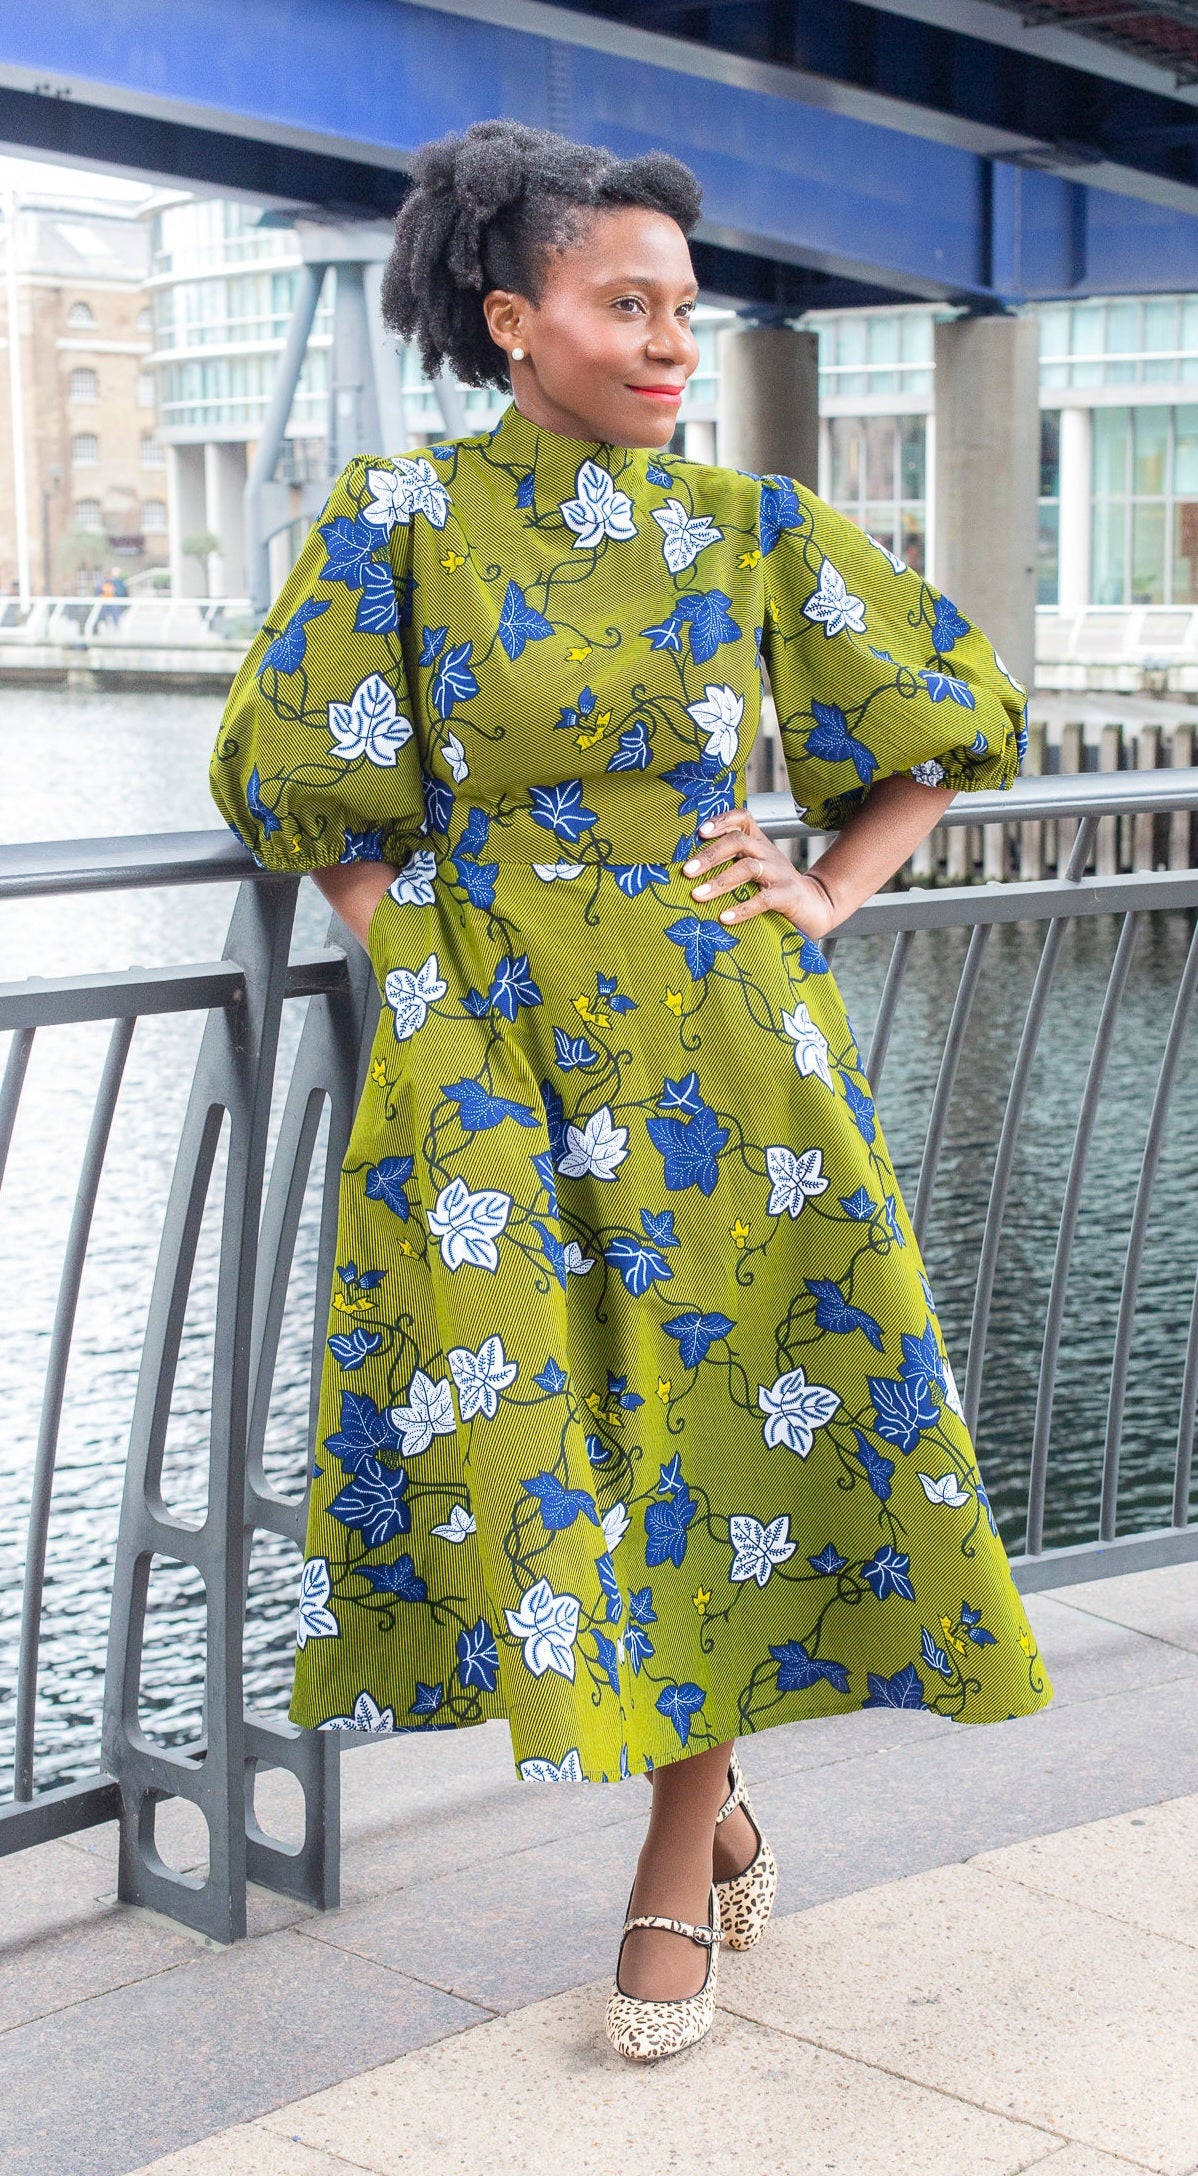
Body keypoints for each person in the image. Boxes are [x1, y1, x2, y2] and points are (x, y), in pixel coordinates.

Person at [211, 119, 1053, 2064]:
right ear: (514, 320)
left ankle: (680, 1836)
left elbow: (947, 707)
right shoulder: (400, 512)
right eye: (627, 302)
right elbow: (276, 759)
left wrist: (827, 882)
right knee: (554, 1458)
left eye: (687, 306)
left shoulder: (738, 531)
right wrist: (398, 937)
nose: (673, 339)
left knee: (697, 1438)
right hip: (489, 1052)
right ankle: (723, 1795)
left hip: (721, 1054)